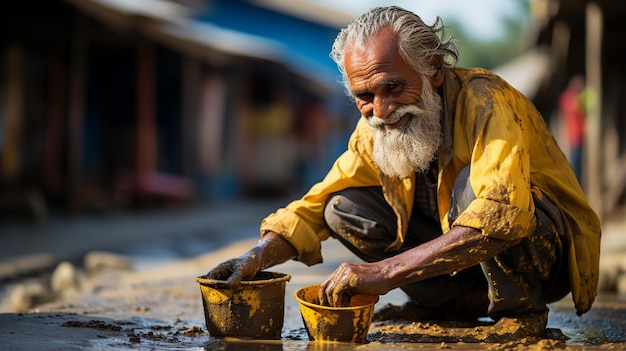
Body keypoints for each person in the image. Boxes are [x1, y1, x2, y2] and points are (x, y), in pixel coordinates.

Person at [207, 6, 601, 336]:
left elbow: (504, 215)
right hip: (464, 268)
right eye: (365, 96)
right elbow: (316, 204)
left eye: (393, 87)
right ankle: (450, 303)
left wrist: (384, 272)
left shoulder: (487, 102)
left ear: (434, 69)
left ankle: (520, 313)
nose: (381, 110)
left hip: (546, 258)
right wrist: (257, 256)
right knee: (340, 207)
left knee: (478, 194)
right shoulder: (372, 129)